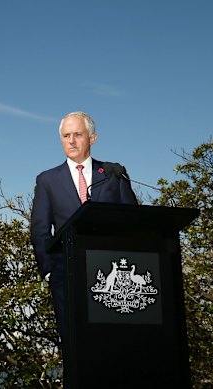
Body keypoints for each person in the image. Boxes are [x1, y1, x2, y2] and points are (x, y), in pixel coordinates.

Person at [30, 111, 137, 346]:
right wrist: (49, 271)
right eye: (66, 135)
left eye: (77, 134)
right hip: (66, 276)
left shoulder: (113, 174)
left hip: (111, 276)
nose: (71, 141)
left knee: (114, 346)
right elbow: (39, 229)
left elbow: (133, 221)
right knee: (76, 345)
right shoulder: (47, 180)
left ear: (92, 138)